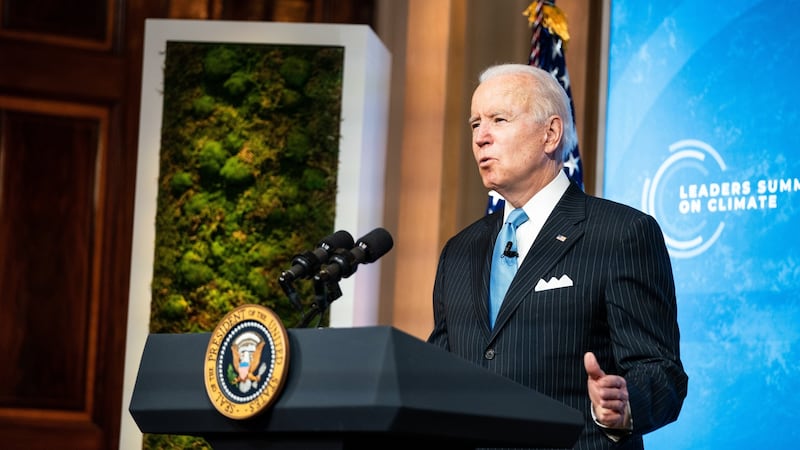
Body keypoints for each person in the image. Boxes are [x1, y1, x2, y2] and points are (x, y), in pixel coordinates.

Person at [427, 63, 688, 450]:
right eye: (475, 124)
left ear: (550, 134)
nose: (481, 137)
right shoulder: (459, 251)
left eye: (498, 120)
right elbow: (437, 374)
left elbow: (661, 372)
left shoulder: (620, 234)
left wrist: (623, 404)